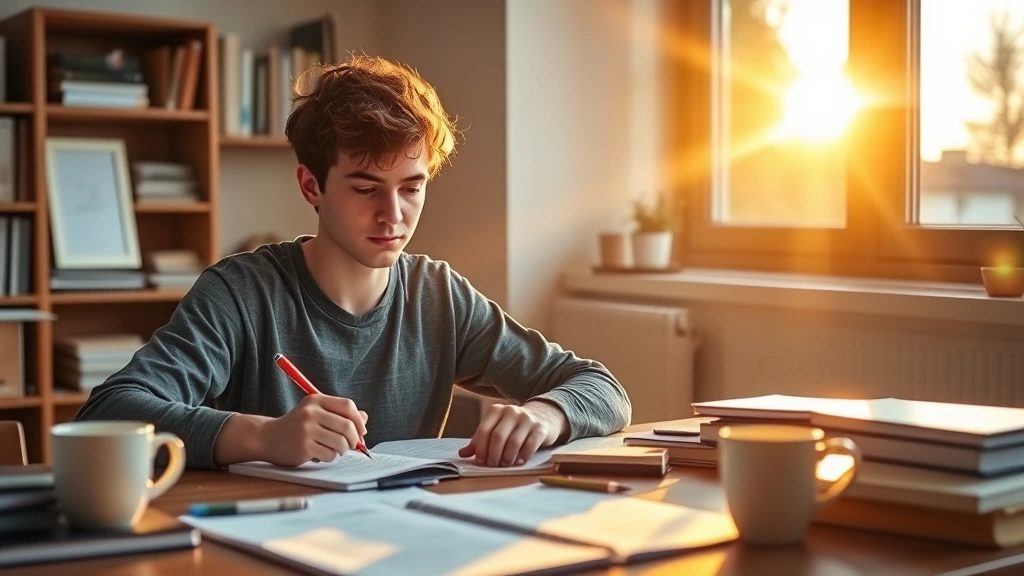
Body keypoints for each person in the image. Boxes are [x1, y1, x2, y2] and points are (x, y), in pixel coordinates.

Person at [77, 55, 631, 470]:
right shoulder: (242, 293)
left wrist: (546, 414)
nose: (394, 214)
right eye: (366, 188)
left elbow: (602, 389)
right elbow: (107, 414)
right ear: (310, 185)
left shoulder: (438, 295)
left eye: (411, 188)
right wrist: (262, 437)